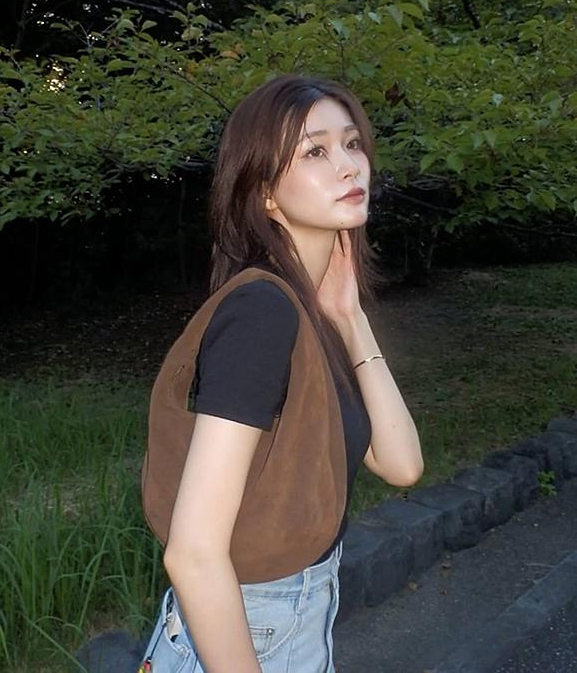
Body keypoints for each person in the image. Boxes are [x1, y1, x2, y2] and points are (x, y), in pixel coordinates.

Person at [140, 73, 424, 673]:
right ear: (265, 193)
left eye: (352, 143)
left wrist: (349, 317)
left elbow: (401, 464)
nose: (349, 166)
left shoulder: (307, 312)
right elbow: (192, 553)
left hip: (293, 615)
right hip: (244, 632)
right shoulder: (262, 313)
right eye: (315, 152)